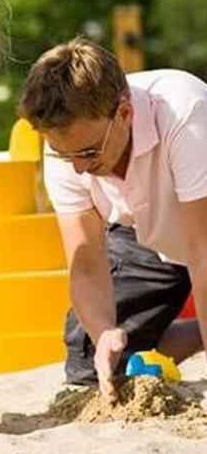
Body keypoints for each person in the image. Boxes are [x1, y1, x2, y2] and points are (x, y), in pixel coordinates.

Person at [18, 38, 207, 402]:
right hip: (144, 233)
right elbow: (86, 264)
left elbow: (203, 253)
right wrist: (103, 330)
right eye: (64, 155)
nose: (78, 168)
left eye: (89, 152)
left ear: (124, 113)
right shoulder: (66, 145)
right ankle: (195, 332)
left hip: (200, 227)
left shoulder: (187, 111)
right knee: (92, 361)